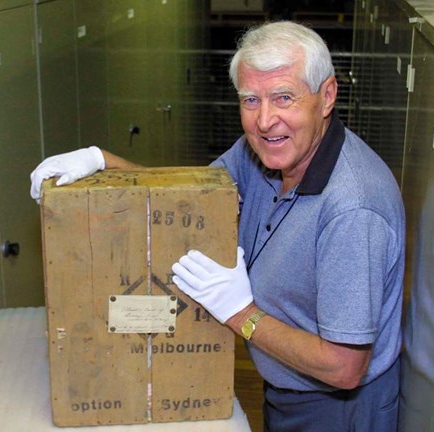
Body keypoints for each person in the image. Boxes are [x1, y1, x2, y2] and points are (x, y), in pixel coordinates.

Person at [30, 21, 405, 432]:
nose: (265, 120)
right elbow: (186, 199)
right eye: (250, 100)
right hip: (285, 384)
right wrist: (100, 162)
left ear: (327, 95)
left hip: (338, 409)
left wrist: (241, 313)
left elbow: (343, 366)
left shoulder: (353, 209)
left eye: (284, 97)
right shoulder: (260, 153)